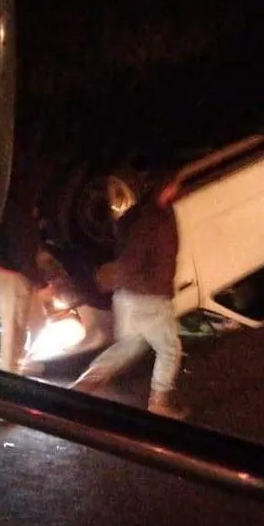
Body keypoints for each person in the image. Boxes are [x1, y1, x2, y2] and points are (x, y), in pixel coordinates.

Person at [70, 175, 186, 418]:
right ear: (163, 187)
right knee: (170, 349)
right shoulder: (154, 220)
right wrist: (151, 287)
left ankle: (80, 388)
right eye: (173, 184)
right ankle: (159, 403)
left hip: (126, 296)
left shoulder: (137, 216)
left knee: (127, 346)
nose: (177, 188)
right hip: (147, 296)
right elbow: (132, 263)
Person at [0, 152, 48, 376]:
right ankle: (8, 385)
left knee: (38, 323)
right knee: (13, 335)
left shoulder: (11, 206)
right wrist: (42, 283)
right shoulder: (17, 211)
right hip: (11, 276)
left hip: (10, 273)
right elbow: (22, 253)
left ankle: (27, 364)